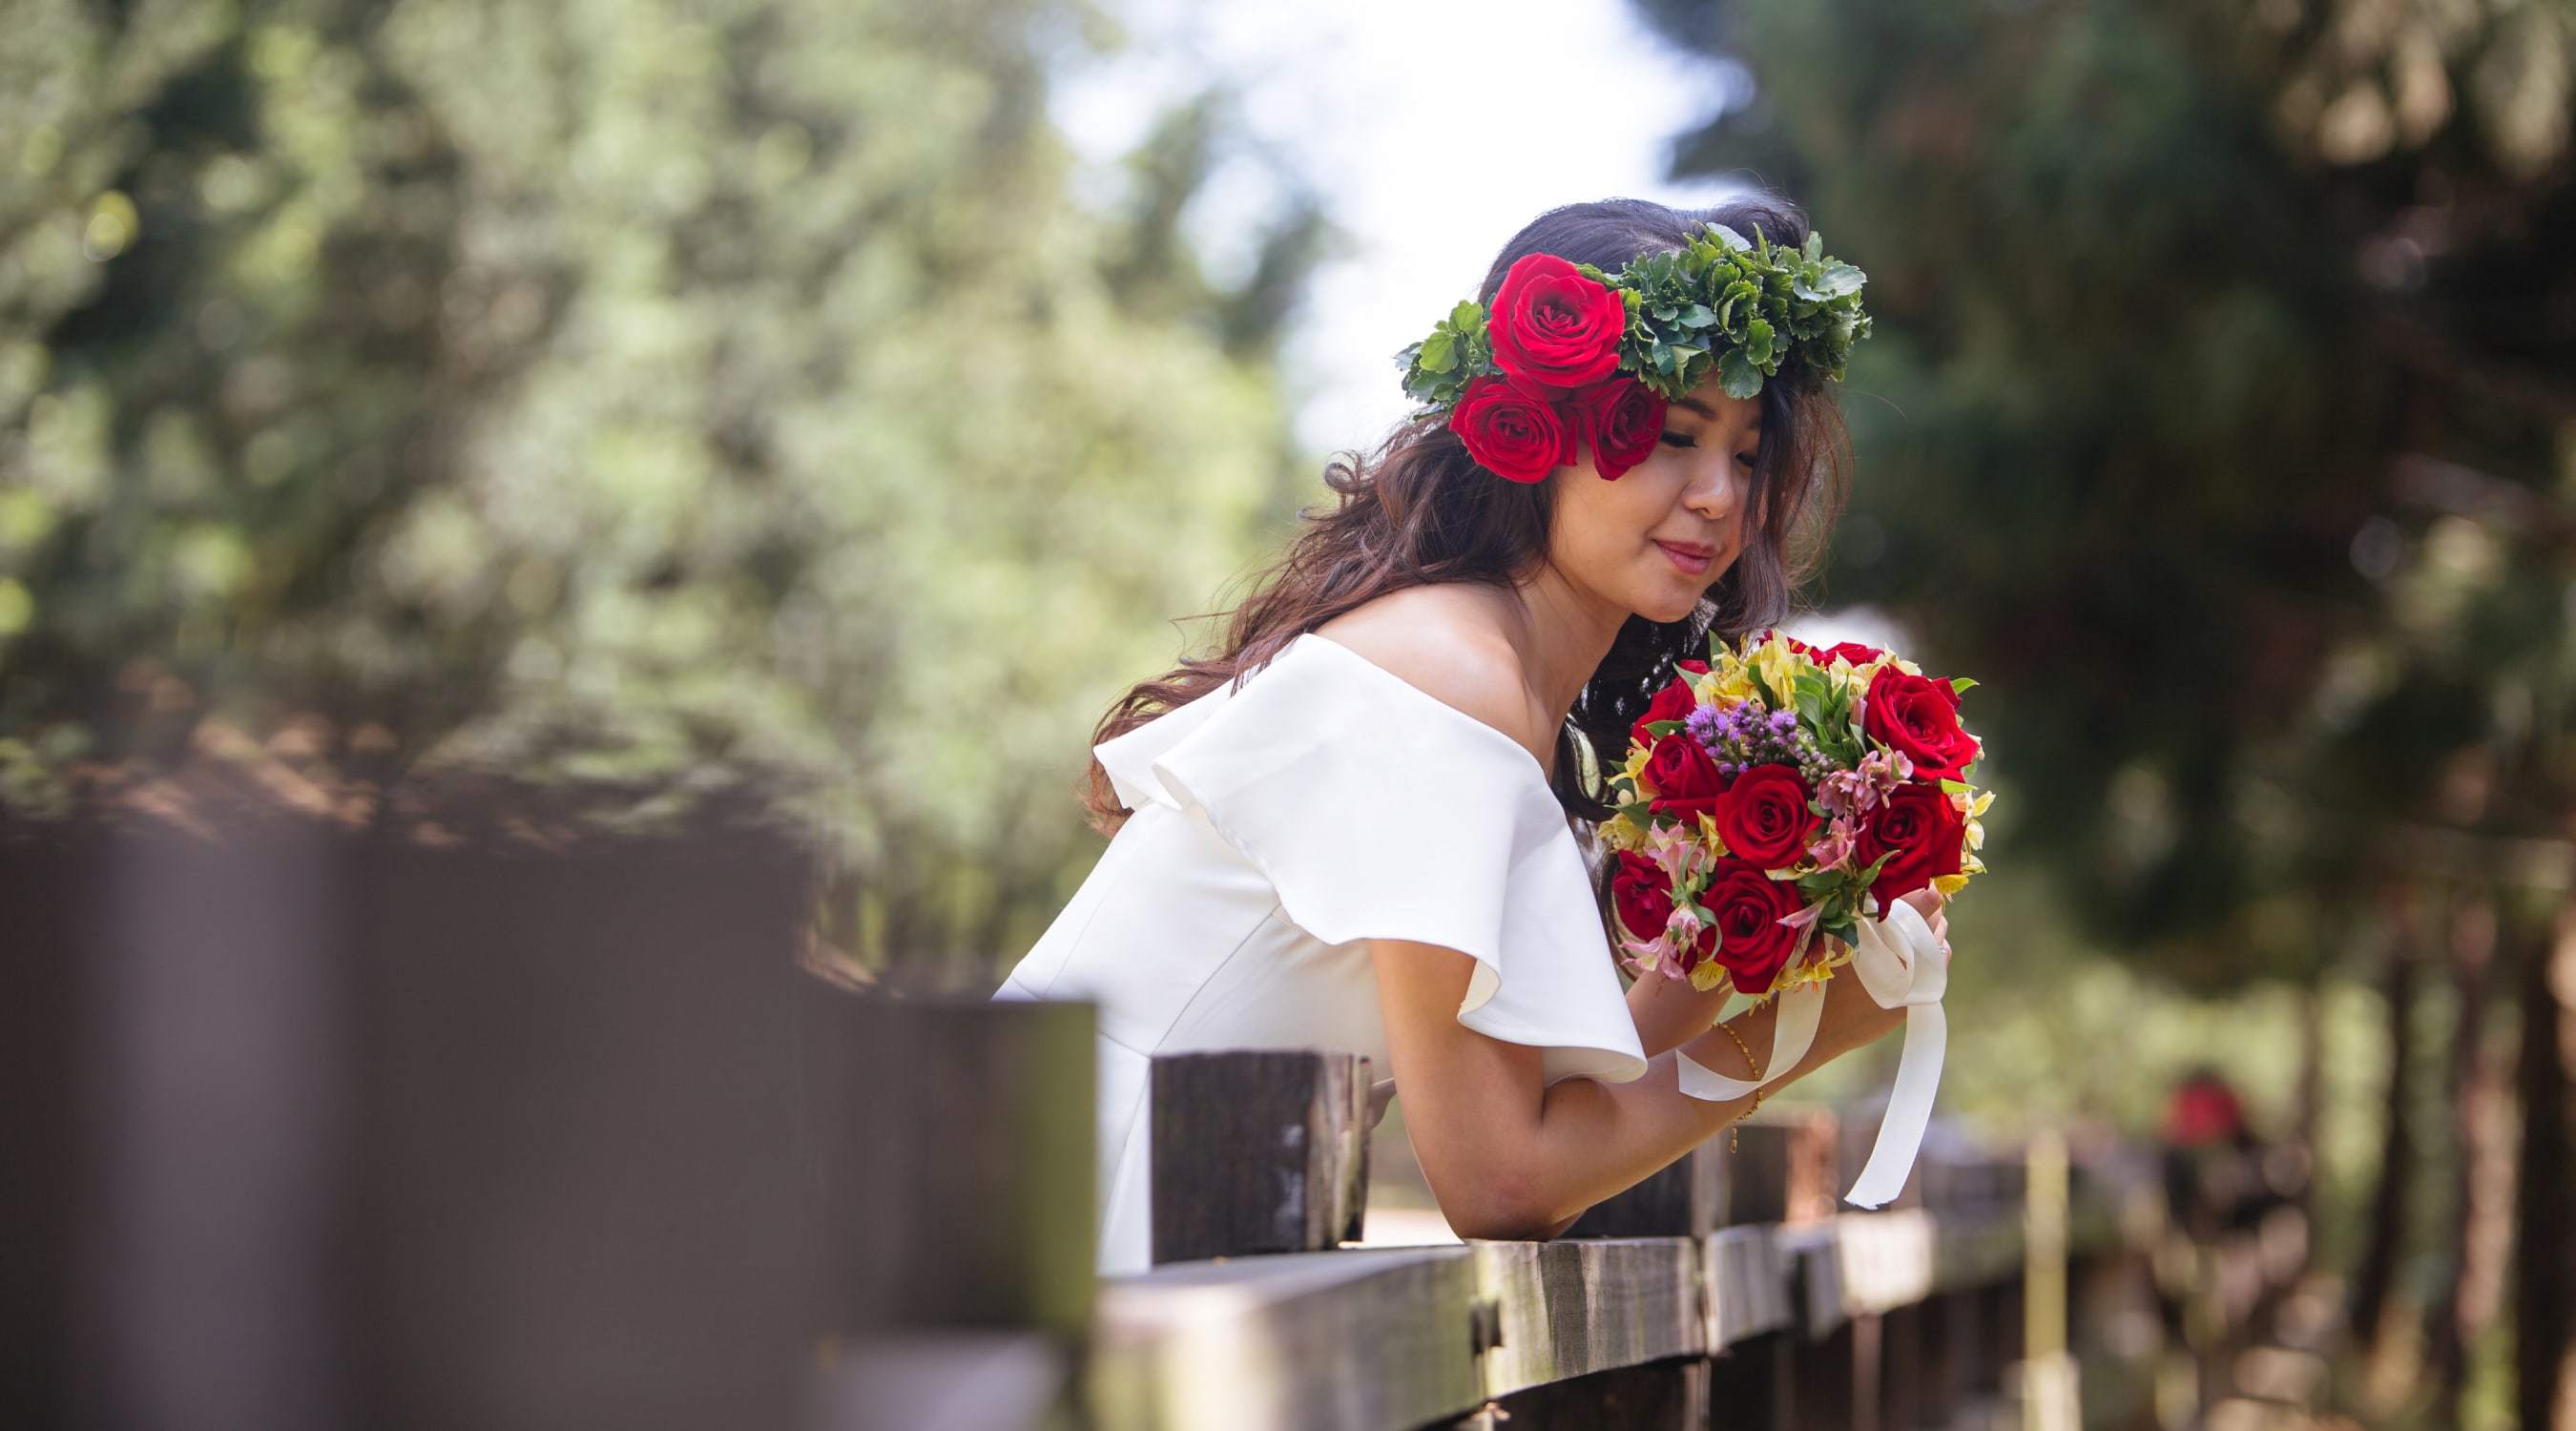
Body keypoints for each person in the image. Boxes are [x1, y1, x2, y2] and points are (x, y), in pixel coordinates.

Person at [993, 194, 1952, 1276]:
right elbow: (1501, 1180)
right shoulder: (1457, 676)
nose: (1718, 497)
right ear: (1540, 432)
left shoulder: (1493, 667)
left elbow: (1524, 1096)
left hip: (1143, 1198)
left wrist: (1728, 959)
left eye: (1746, 454)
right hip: (1069, 1200)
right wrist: (1807, 1037)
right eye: (1675, 436)